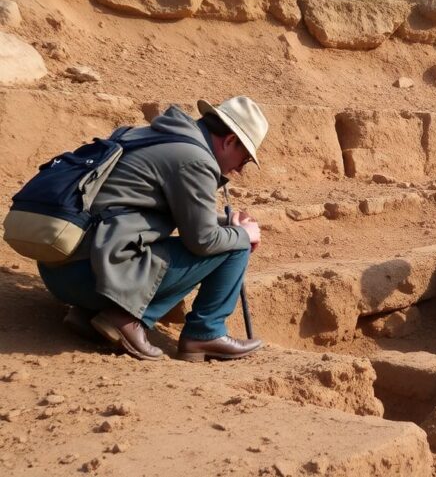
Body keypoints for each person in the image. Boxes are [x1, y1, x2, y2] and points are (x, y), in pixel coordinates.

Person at [36, 96, 269, 361]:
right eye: (245, 158)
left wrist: (226, 222)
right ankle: (202, 333)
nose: (240, 169)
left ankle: (89, 314)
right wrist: (242, 234)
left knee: (228, 235)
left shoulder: (153, 136)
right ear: (229, 140)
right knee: (235, 246)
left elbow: (157, 206)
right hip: (88, 274)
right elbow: (203, 240)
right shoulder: (196, 160)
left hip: (59, 269)